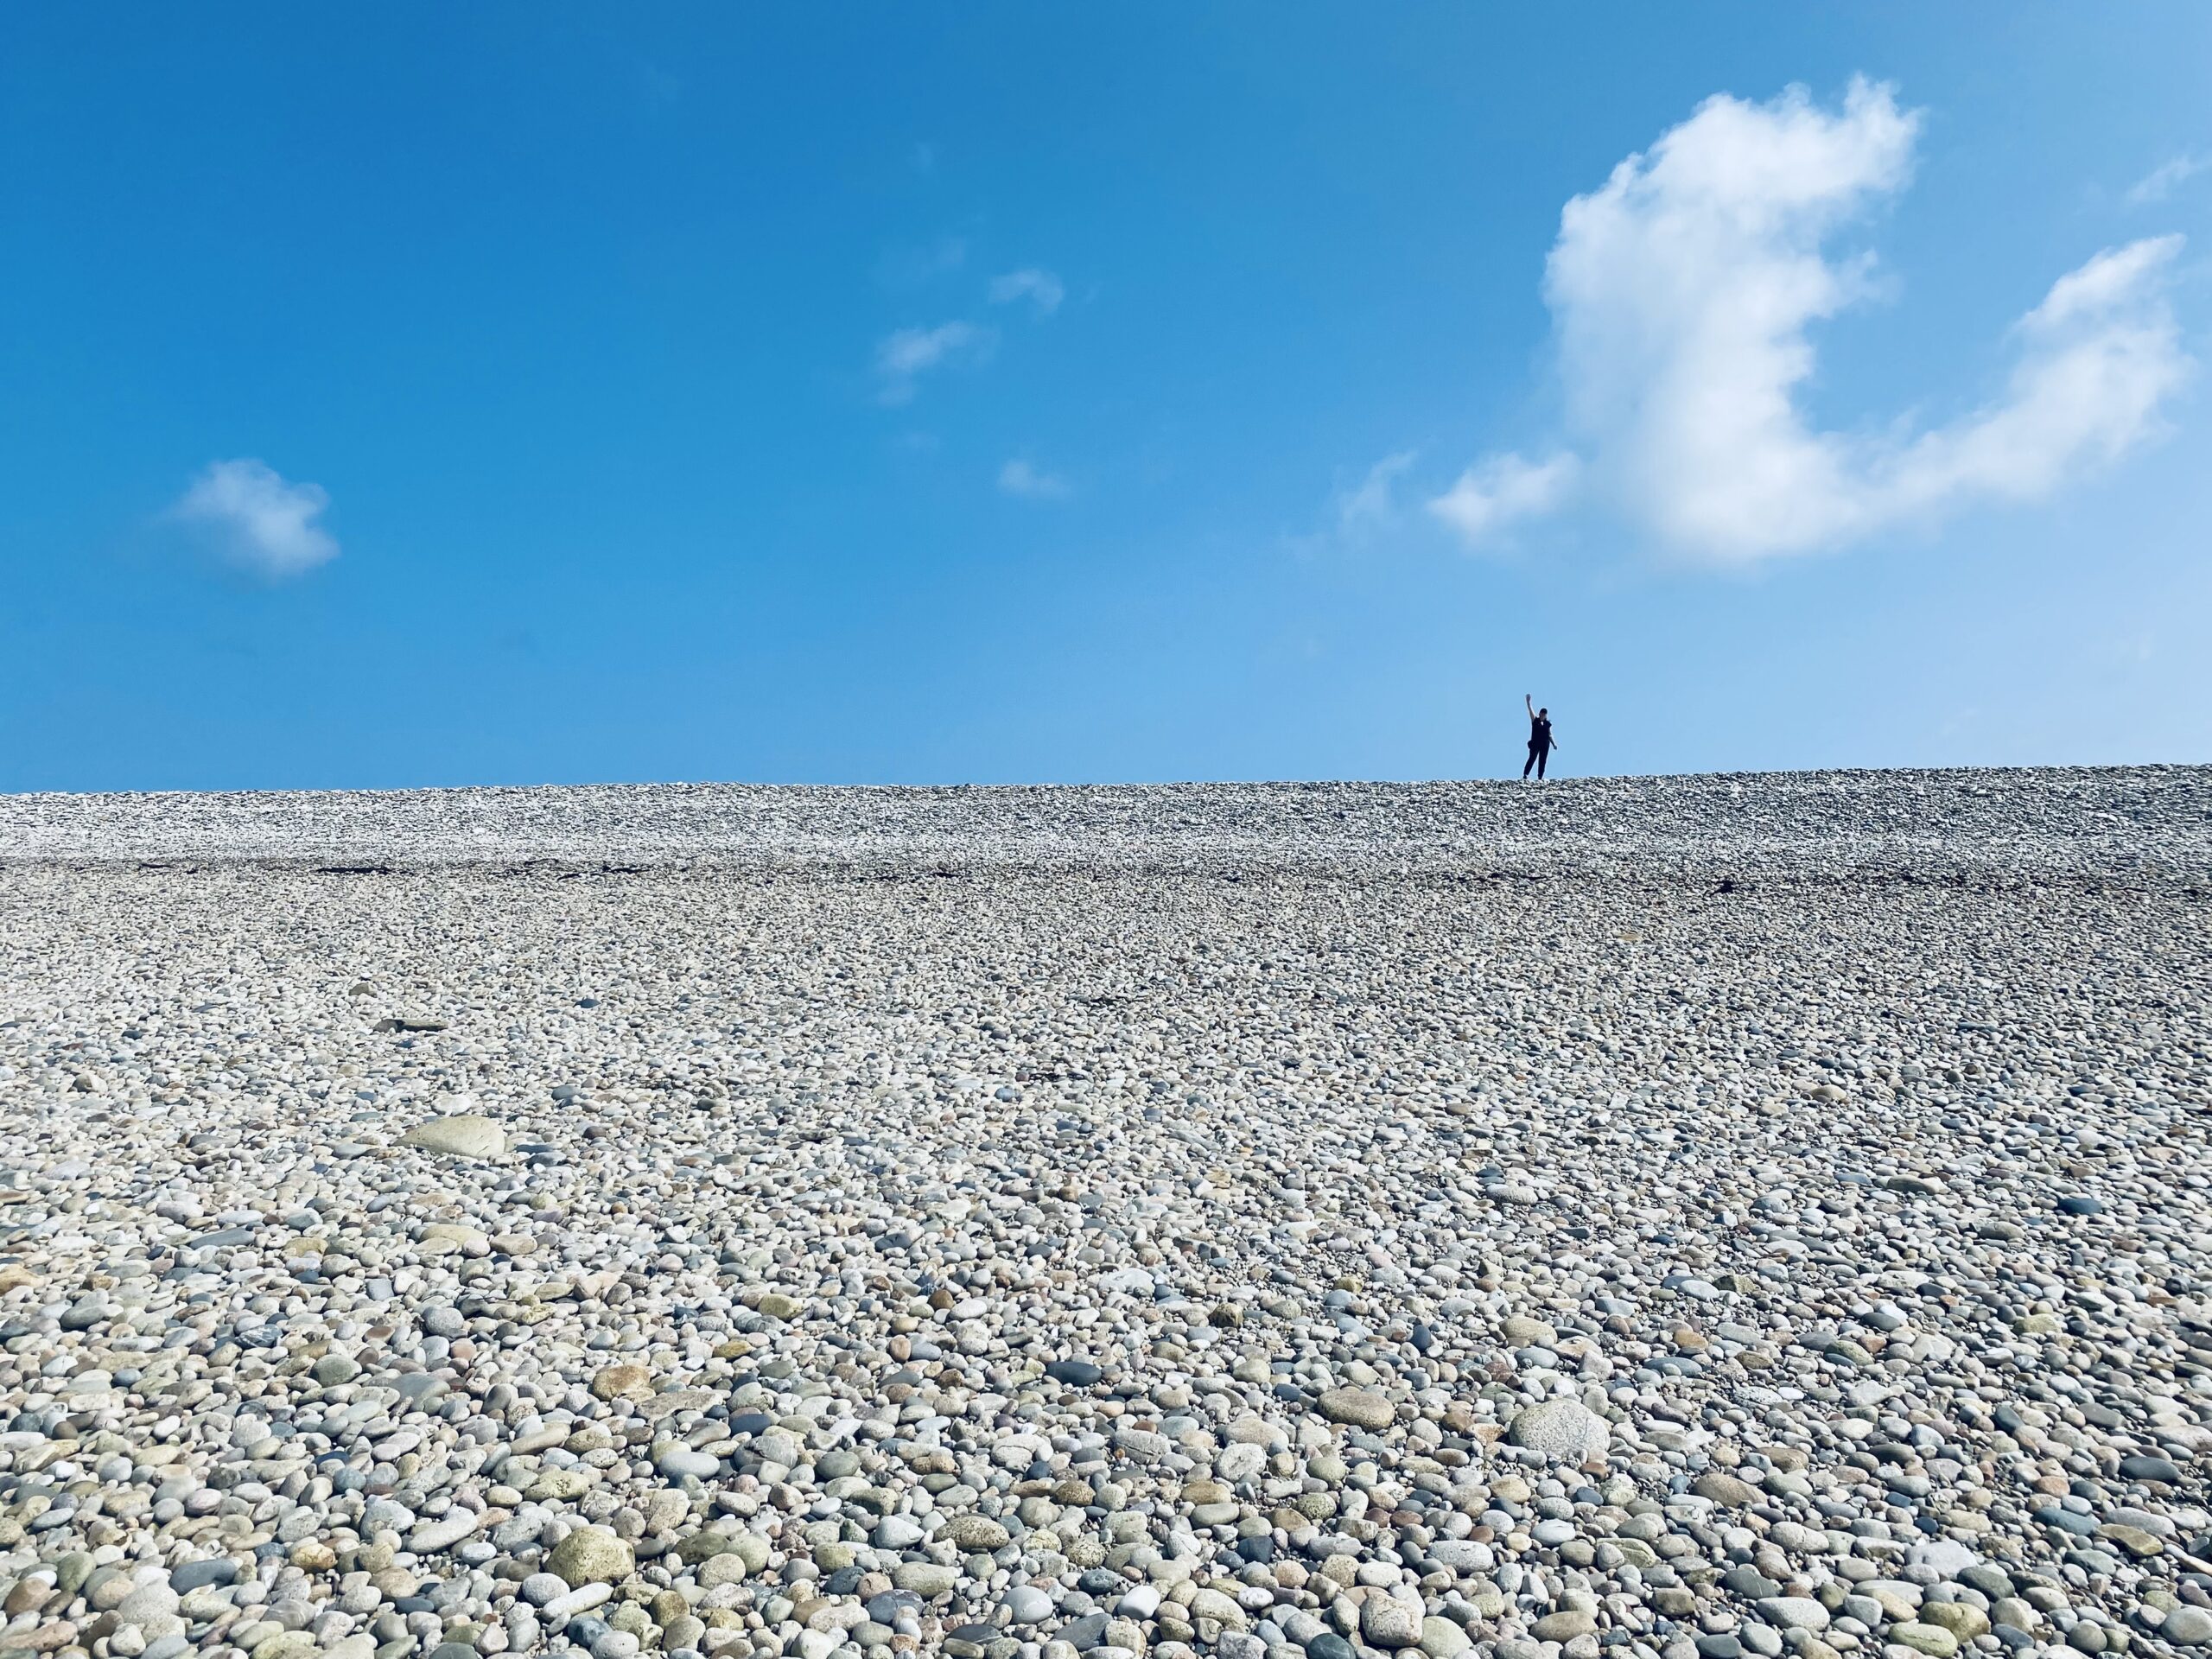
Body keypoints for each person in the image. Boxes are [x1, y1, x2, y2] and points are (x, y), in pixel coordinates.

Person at [1522, 694, 1557, 779]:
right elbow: (1530, 711)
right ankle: (1526, 774)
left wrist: (1554, 744)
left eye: (1545, 714)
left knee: (1543, 760)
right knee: (1532, 758)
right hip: (1535, 743)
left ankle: (1540, 776)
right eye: (1542, 713)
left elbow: (1550, 734)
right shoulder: (1535, 720)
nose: (1543, 715)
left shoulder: (1547, 724)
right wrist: (1528, 703)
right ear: (1540, 713)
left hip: (1545, 744)